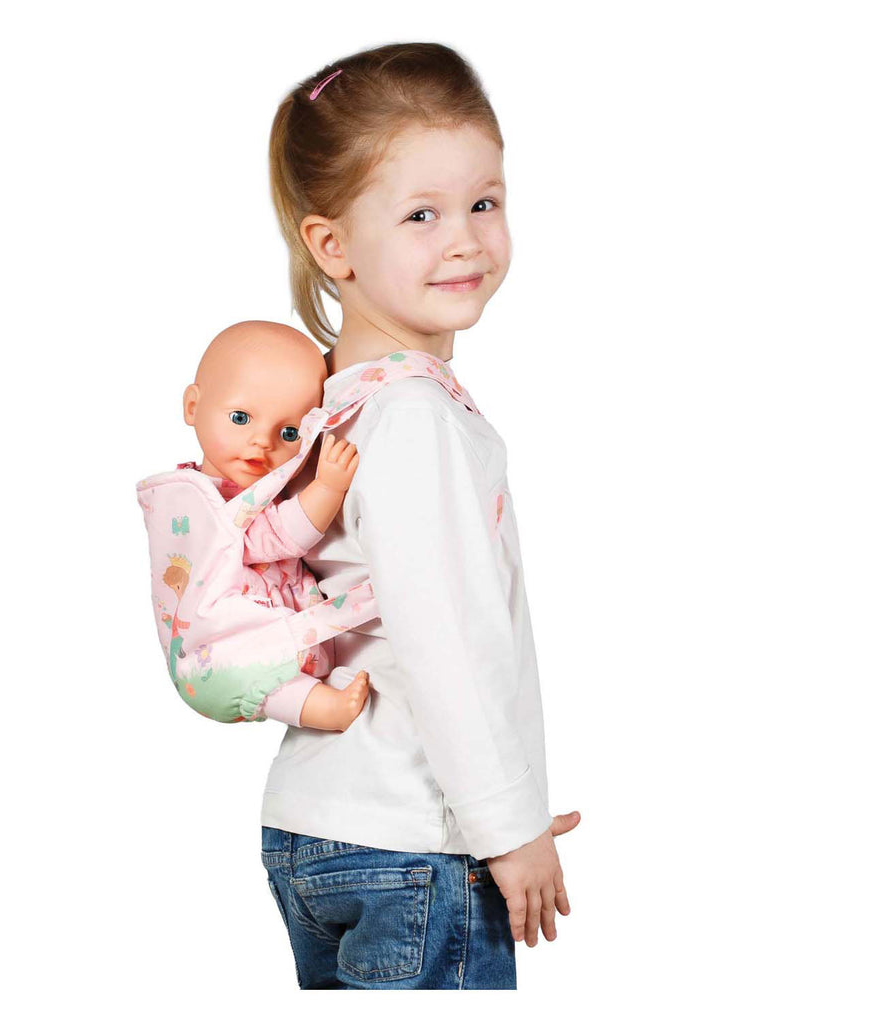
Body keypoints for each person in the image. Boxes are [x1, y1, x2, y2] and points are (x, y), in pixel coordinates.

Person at [260, 43, 582, 989]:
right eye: (420, 215)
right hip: (417, 844)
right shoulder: (412, 418)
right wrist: (508, 825)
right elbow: (446, 637)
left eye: (485, 202)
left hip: (323, 828)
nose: (466, 241)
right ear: (332, 247)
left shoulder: (335, 405)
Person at [172, 319, 372, 729]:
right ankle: (325, 712)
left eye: (290, 432)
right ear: (193, 407)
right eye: (241, 417)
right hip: (218, 658)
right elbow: (278, 535)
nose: (263, 440)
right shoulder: (202, 504)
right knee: (269, 683)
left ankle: (315, 701)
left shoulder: (239, 491)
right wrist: (328, 488)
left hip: (241, 649)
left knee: (277, 679)